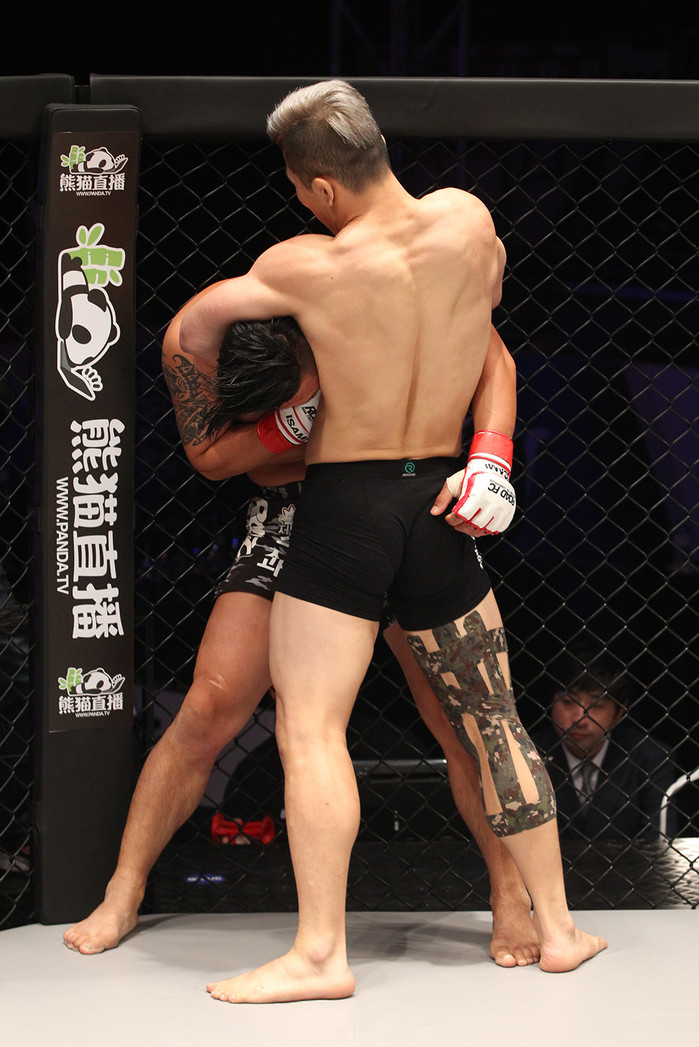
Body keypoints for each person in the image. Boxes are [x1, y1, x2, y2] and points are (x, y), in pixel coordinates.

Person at [178, 79, 607, 1003]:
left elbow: (192, 328)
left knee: (310, 726)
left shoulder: (304, 264)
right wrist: (489, 454)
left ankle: (319, 954)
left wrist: (252, 411)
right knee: (492, 719)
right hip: (441, 496)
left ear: (320, 186)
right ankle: (560, 929)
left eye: (301, 190)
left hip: (346, 502)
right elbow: (486, 342)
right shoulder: (468, 222)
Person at [63, 301, 539, 967]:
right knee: (208, 706)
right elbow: (214, 458)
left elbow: (492, 355)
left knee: (458, 717)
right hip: (292, 522)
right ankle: (124, 889)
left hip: (400, 512)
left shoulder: (373, 294)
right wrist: (290, 425)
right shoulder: (200, 342)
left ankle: (510, 894)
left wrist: (489, 456)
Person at [533, 642, 677, 840]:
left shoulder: (650, 758)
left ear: (620, 712)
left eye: (596, 705)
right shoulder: (527, 755)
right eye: (568, 702)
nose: (579, 718)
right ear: (551, 701)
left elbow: (659, 842)